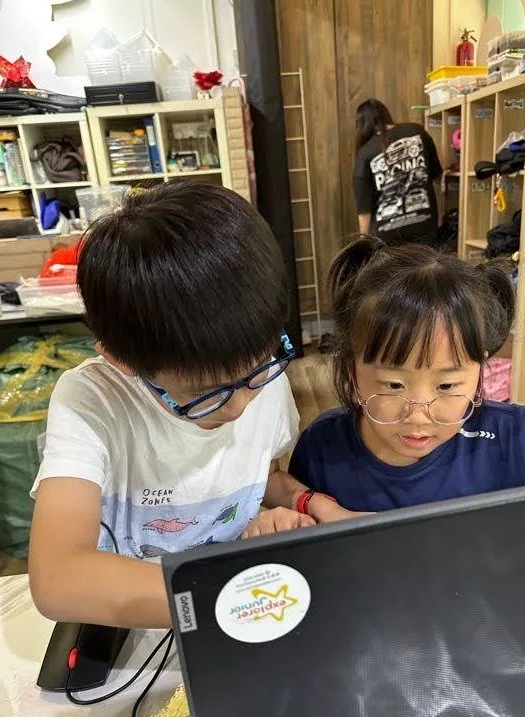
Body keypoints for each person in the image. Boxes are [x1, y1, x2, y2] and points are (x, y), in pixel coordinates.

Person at [29, 182, 350, 630]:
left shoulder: (263, 381)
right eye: (203, 393)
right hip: (139, 622)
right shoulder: (92, 402)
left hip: (240, 606)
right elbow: (59, 577)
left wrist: (310, 503)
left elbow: (261, 474)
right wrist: (236, 595)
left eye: (256, 373)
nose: (239, 406)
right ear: (123, 362)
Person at [289, 238, 525, 510]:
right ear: (353, 371)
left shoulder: (513, 437)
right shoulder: (323, 448)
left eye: (447, 385)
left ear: (480, 373)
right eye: (393, 384)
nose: (419, 414)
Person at [353, 99, 442, 245]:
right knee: (426, 267)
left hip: (387, 234)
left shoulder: (365, 153)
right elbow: (435, 177)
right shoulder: (417, 131)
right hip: (424, 225)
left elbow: (364, 209)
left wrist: (363, 244)